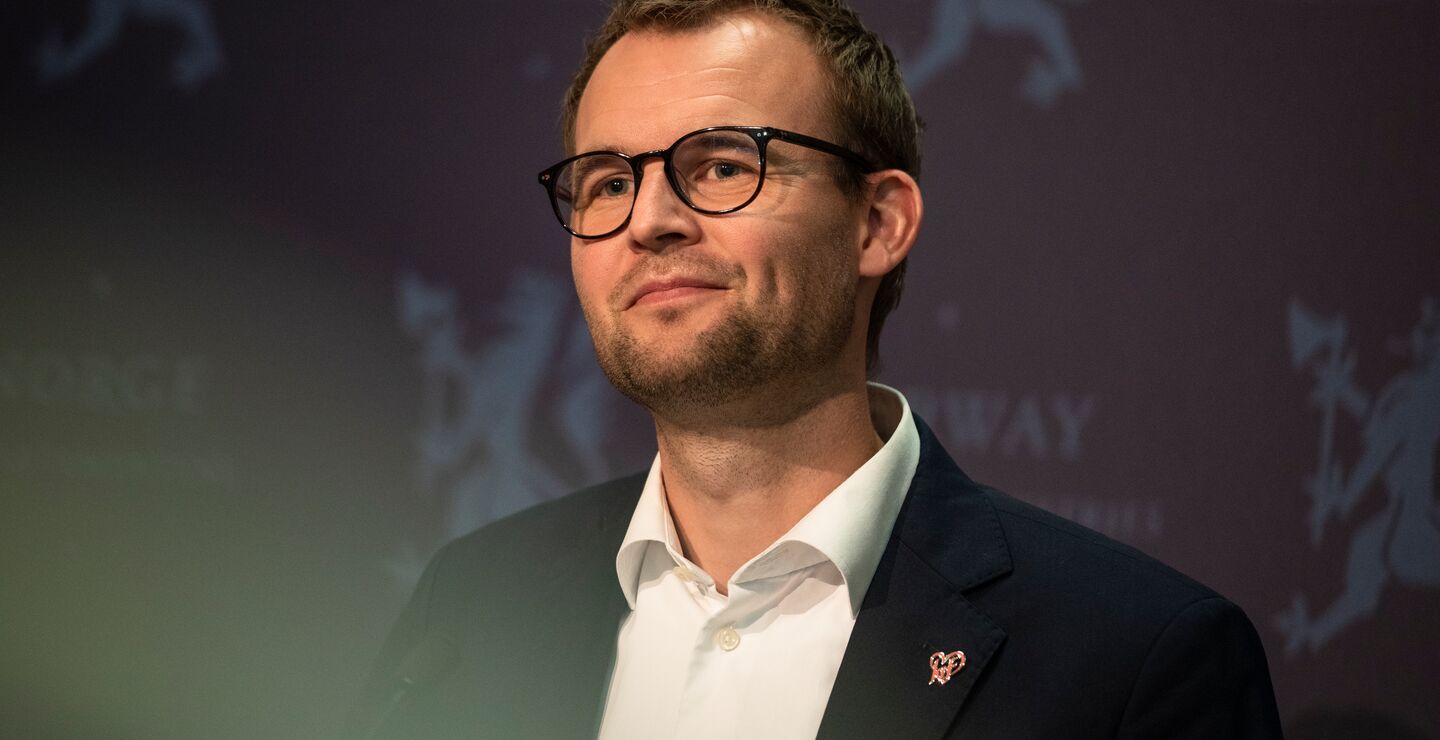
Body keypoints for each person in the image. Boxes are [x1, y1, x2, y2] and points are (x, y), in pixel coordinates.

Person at [349, 1, 1284, 738]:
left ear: (878, 223)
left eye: (720, 167)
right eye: (607, 182)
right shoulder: (472, 607)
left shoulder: (1133, 660)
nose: (648, 220)